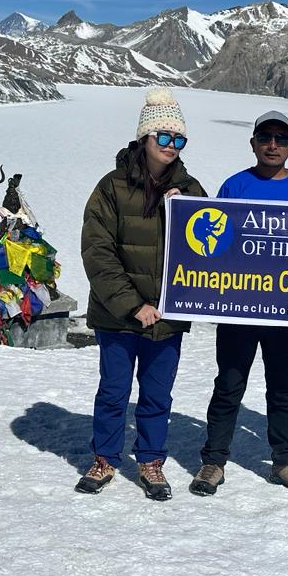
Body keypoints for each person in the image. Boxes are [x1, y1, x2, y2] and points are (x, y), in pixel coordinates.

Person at [77, 89, 207, 501]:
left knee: (156, 394)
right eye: (163, 137)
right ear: (144, 138)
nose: (171, 146)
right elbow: (98, 252)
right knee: (114, 391)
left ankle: (150, 459)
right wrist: (133, 305)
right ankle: (105, 458)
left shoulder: (190, 189)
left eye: (178, 139)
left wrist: (186, 209)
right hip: (121, 315)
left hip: (167, 315)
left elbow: (210, 245)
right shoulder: (112, 187)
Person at [189, 110, 288, 497]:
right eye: (266, 138)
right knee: (229, 385)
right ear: (253, 143)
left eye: (281, 139)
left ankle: (285, 462)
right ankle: (213, 461)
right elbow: (214, 242)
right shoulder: (234, 185)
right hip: (238, 308)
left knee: (283, 388)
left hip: (285, 309)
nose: (273, 145)